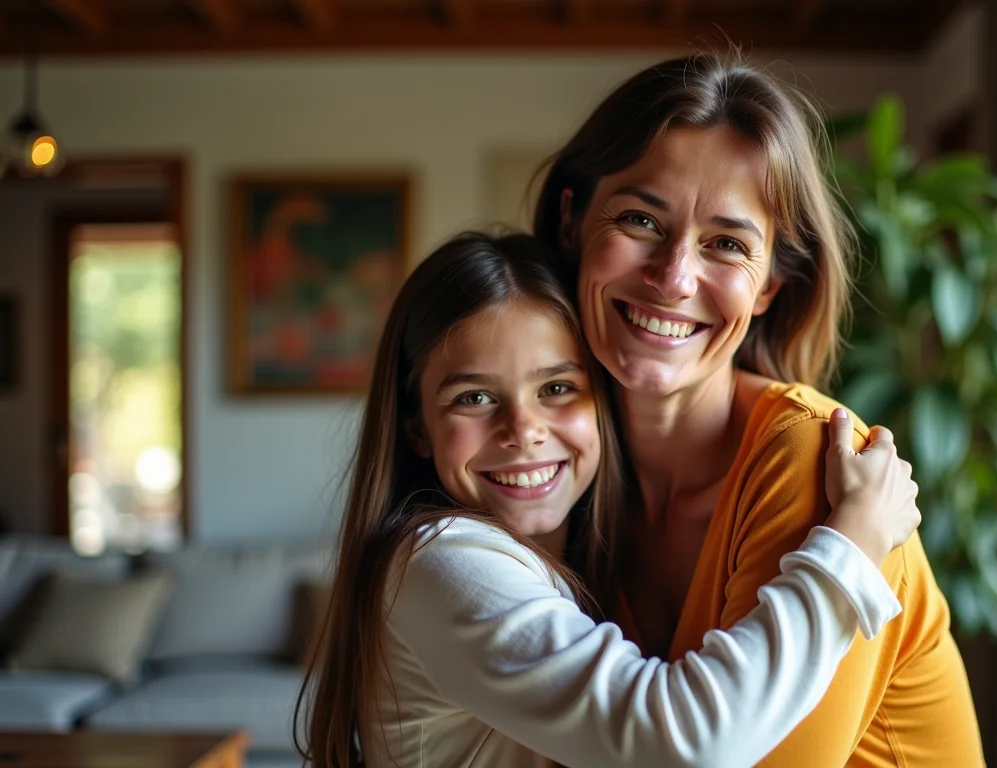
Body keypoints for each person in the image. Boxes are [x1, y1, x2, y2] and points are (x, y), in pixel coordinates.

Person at [299, 232, 923, 768]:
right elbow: (683, 744)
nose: (524, 430)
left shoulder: (578, 560)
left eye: (557, 388)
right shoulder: (442, 564)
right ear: (417, 428)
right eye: (474, 398)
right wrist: (852, 550)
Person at [532, 50, 986, 767]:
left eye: (727, 244)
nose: (674, 277)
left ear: (770, 286)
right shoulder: (555, 467)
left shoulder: (821, 469)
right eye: (640, 220)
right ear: (571, 222)